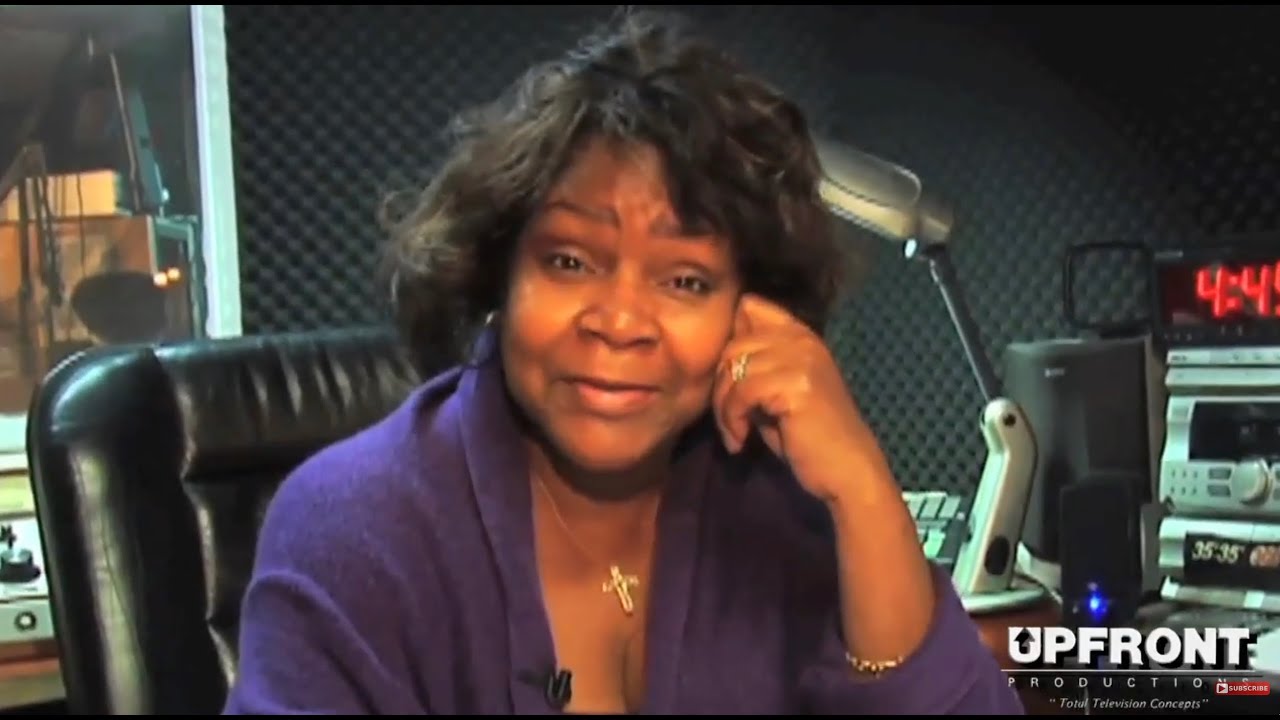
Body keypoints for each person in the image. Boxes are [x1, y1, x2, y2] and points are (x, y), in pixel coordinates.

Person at [224, 10, 1024, 715]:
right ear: (500, 273)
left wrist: (863, 490)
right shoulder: (354, 532)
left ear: (750, 312)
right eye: (570, 262)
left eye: (686, 280)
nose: (619, 323)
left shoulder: (778, 509)